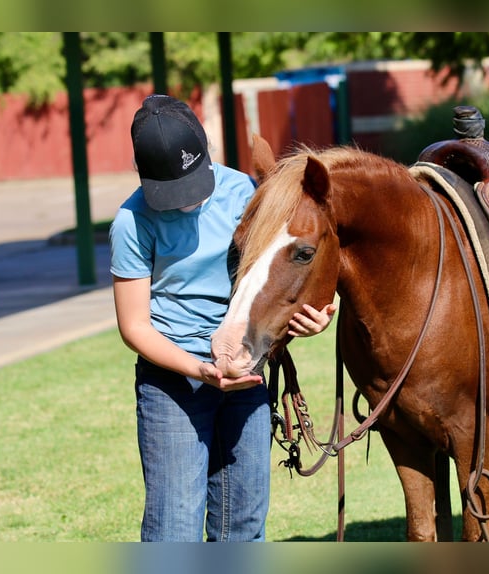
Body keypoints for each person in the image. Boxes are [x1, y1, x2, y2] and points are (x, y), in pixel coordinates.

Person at [108, 94, 336, 542]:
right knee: (174, 530)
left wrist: (311, 321)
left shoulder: (248, 194)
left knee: (244, 525)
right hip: (173, 383)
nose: (186, 204)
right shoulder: (132, 222)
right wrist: (200, 370)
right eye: (170, 194)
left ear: (208, 152)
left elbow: (281, 276)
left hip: (246, 375)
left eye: (192, 187)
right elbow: (134, 326)